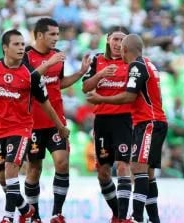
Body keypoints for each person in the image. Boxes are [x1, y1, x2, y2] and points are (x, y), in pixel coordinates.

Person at [0, 29, 69, 223]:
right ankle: (26, 209)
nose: (21, 48)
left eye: (23, 44)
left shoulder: (31, 75)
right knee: (1, 178)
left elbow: (46, 104)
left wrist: (59, 126)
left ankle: (8, 217)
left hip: (21, 129)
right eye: (16, 44)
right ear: (5, 48)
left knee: (11, 169)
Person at [87, 34, 168, 223]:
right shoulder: (148, 64)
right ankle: (154, 219)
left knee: (137, 168)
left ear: (125, 50)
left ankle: (137, 217)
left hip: (149, 123)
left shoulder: (136, 66)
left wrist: (101, 99)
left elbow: (129, 97)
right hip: (154, 121)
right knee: (147, 174)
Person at [23, 17, 91, 223]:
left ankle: (56, 213)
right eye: (52, 34)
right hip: (33, 123)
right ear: (40, 35)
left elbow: (58, 83)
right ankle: (33, 216)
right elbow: (26, 82)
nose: (56, 38)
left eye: (57, 34)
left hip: (56, 123)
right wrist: (48, 64)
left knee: (62, 163)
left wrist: (80, 72)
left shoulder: (57, 57)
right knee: (34, 169)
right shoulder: (25, 55)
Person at [82, 26, 132, 223]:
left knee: (122, 166)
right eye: (116, 39)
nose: (119, 44)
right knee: (103, 173)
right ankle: (117, 214)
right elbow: (86, 87)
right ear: (108, 40)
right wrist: (101, 74)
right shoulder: (97, 60)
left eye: (122, 40)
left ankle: (123, 217)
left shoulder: (132, 62)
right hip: (102, 121)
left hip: (125, 120)